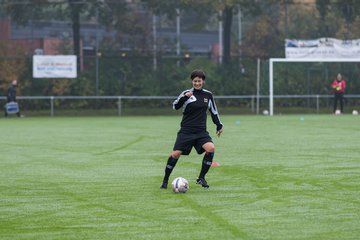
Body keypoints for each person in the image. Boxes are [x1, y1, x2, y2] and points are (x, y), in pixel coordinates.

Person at [160, 69, 223, 189]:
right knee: (175, 154)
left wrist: (219, 125)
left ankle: (201, 178)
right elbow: (175, 106)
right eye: (195, 81)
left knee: (211, 148)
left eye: (199, 81)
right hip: (186, 131)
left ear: (203, 81)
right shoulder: (187, 93)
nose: (197, 83)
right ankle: (165, 179)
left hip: (201, 132)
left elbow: (214, 111)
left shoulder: (208, 95)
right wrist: (184, 97)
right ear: (192, 81)